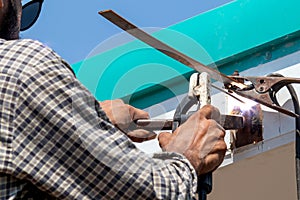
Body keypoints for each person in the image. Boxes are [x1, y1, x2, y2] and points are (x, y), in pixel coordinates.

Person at [0, 0, 227, 199]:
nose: (21, 30)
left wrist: (86, 119)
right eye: (23, 12)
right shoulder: (21, 67)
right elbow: (146, 194)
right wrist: (187, 157)